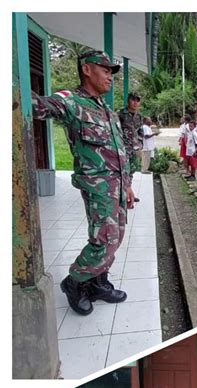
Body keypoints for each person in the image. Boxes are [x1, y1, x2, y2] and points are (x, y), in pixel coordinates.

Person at [31, 49, 133, 316]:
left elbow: (119, 150)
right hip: (98, 187)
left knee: (116, 236)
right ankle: (75, 281)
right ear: (86, 69)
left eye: (112, 72)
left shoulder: (106, 110)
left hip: (118, 187)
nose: (110, 77)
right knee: (104, 240)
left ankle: (97, 282)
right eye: (105, 70)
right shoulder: (71, 101)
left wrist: (129, 184)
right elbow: (38, 107)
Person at [118, 93, 143, 201]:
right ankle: (121, 194)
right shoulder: (120, 114)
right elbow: (116, 131)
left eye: (137, 100)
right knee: (123, 171)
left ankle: (129, 193)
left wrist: (140, 145)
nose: (135, 102)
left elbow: (140, 132)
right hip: (123, 148)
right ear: (128, 100)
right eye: (133, 100)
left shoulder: (139, 117)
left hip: (135, 149)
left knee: (132, 170)